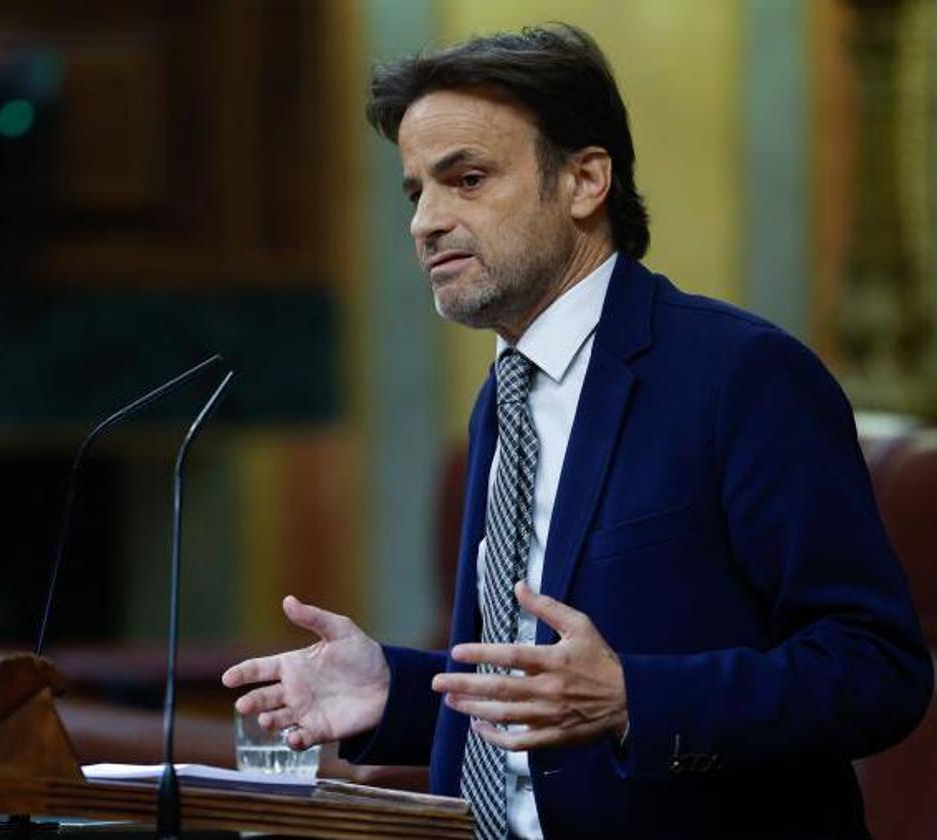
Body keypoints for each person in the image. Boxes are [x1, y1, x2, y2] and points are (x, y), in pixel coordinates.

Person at [222, 24, 932, 839]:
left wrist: (636, 697)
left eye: (468, 178)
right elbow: (546, 700)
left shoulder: (741, 375)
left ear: (586, 180)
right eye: (416, 190)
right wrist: (394, 688)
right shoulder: (505, 395)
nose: (425, 221)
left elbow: (878, 672)